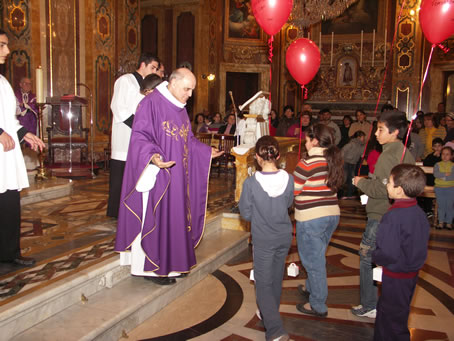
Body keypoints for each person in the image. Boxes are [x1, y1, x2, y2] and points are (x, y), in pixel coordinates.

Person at [115, 68, 223, 285]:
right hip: (157, 175)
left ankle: (173, 265)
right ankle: (151, 268)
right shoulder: (150, 103)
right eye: (187, 89)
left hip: (177, 176)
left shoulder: (180, 109)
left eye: (192, 90)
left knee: (175, 219)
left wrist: (205, 151)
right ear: (173, 83)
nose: (190, 95)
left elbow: (188, 140)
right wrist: (153, 157)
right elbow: (140, 136)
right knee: (158, 218)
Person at [352, 110, 415, 318]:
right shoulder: (406, 152)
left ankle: (369, 304)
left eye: (380, 130)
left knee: (367, 258)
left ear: (394, 132)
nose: (376, 134)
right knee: (388, 259)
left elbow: (381, 189)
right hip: (398, 214)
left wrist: (361, 182)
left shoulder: (388, 156)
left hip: (380, 214)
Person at [239, 136, 294, 341]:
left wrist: (260, 218)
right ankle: (267, 312)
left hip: (263, 238)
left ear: (257, 158)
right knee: (275, 277)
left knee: (262, 282)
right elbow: (289, 203)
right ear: (278, 155)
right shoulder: (289, 178)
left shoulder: (252, 183)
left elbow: (245, 213)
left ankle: (275, 330)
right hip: (284, 236)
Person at [0, 29, 46, 267]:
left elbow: (9, 118)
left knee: (9, 203)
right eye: (2, 45)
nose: (7, 51)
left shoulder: (3, 81)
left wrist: (24, 133)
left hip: (6, 155)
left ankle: (9, 252)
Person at [372, 164, 430, 341]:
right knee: (395, 311)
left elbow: (388, 251)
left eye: (389, 183)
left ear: (399, 190)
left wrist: (375, 256)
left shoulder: (393, 216)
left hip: (396, 274)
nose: (387, 186)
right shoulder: (419, 213)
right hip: (411, 273)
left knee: (392, 319)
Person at [293, 124, 344, 317]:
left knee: (314, 261)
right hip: (332, 214)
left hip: (311, 217)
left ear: (314, 141)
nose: (305, 143)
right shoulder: (333, 160)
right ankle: (310, 288)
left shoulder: (307, 162)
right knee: (317, 254)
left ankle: (318, 304)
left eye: (306, 140)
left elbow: (294, 190)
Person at [106, 53, 160, 218]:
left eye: (157, 69)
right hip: (124, 136)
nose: (155, 72)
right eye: (153, 68)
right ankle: (115, 213)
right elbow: (118, 107)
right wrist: (139, 127)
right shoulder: (125, 80)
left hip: (138, 138)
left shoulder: (146, 85)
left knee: (135, 177)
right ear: (143, 65)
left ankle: (131, 212)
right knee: (120, 178)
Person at [433, 146, 454, 230]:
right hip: (439, 188)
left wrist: (443, 177)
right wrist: (445, 174)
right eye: (443, 154)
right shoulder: (437, 164)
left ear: (451, 156)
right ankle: (441, 222)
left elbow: (453, 176)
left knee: (449, 206)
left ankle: (449, 222)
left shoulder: (453, 165)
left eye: (447, 154)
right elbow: (436, 174)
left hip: (451, 188)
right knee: (441, 205)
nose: (445, 156)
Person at [341, 130, 366, 199]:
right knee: (344, 178)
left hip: (353, 163)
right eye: (363, 137)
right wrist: (342, 159)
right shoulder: (351, 144)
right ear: (359, 137)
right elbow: (343, 150)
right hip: (346, 162)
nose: (364, 138)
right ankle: (342, 194)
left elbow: (361, 154)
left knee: (351, 179)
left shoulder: (362, 145)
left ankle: (349, 194)